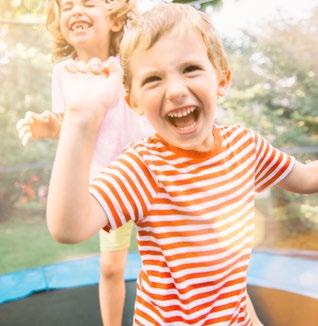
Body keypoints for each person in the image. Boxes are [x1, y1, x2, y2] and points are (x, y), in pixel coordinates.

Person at [46, 3, 318, 325]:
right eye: (152, 79)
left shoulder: (246, 146)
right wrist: (81, 119)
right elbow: (68, 227)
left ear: (222, 79)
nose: (175, 90)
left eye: (190, 69)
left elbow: (305, 178)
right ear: (132, 99)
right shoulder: (143, 167)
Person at [15, 1, 153, 325]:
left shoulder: (131, 63)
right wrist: (50, 128)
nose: (76, 10)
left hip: (150, 173)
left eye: (88, 3)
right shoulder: (63, 73)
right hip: (109, 184)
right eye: (66, 6)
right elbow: (73, 127)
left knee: (165, 256)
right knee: (110, 267)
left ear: (116, 20)